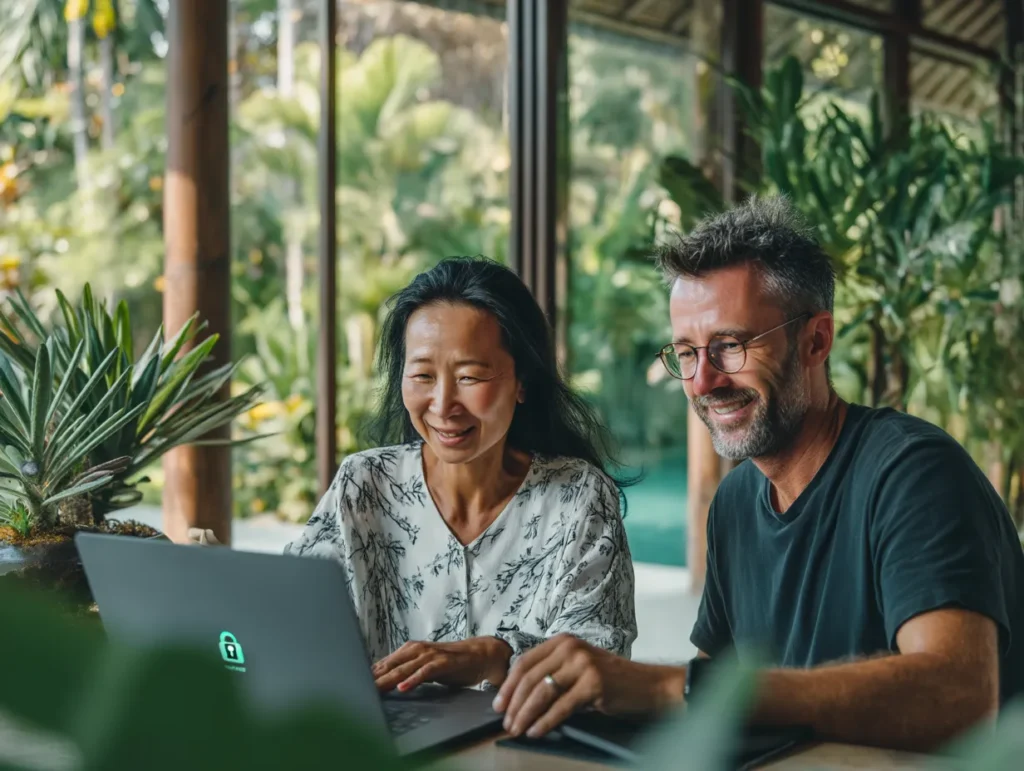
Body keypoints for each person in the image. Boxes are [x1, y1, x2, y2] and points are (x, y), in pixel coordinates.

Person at [491, 196, 1024, 752]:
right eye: (687, 353)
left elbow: (959, 698)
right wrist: (548, 678)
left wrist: (677, 687)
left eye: (730, 346)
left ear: (816, 340)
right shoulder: (737, 502)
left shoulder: (913, 474)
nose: (701, 382)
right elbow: (709, 693)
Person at [195, 256, 636, 694]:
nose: (443, 405)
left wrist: (493, 655)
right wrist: (219, 586)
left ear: (522, 381)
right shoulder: (364, 484)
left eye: (470, 376)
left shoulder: (578, 497)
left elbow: (602, 658)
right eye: (423, 375)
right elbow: (291, 621)